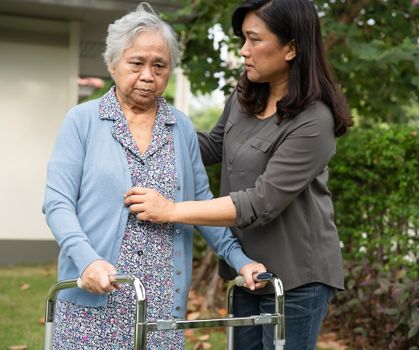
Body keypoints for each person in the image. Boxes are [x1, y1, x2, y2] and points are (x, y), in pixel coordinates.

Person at [124, 0, 351, 348]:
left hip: (297, 280)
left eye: (254, 39)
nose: (243, 50)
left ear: (291, 48)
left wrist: (170, 210)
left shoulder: (314, 121)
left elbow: (261, 202)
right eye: (242, 38)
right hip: (247, 269)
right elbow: (213, 146)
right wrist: (142, 123)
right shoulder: (246, 93)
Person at [43, 3, 266, 349]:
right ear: (112, 64)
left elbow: (200, 206)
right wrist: (87, 262)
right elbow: (57, 203)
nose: (148, 75)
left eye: (159, 65)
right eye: (137, 63)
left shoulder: (181, 127)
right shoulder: (82, 121)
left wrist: (241, 261)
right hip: (95, 295)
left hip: (162, 305)